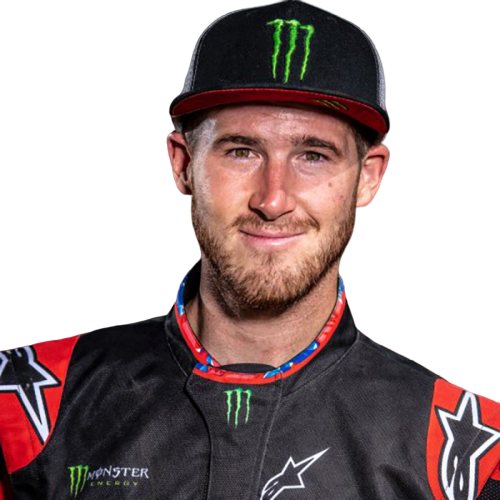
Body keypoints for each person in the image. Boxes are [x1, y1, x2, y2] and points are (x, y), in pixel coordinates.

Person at [1, 0, 499, 499]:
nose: (272, 200)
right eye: (241, 151)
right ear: (182, 164)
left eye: (313, 155)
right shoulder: (26, 403)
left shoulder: (469, 449)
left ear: (369, 177)